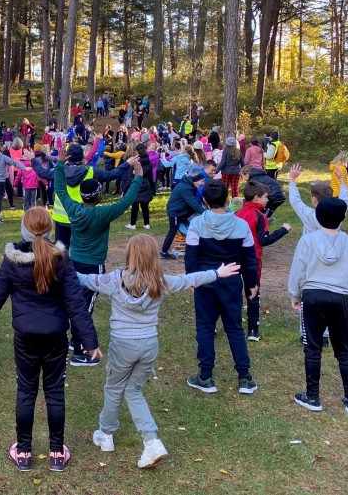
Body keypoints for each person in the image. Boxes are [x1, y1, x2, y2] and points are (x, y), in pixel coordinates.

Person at [81, 235, 240, 468]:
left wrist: (54, 267)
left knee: (115, 387)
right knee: (132, 389)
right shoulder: (161, 282)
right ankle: (135, 439)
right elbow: (189, 279)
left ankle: (115, 436)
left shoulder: (113, 280)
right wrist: (216, 273)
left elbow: (84, 279)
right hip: (149, 346)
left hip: (122, 346)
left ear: (130, 255)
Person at [0, 207, 100, 473]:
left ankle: (25, 451)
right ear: (49, 229)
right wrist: (89, 340)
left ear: (24, 230)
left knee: (26, 391)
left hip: (27, 336)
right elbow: (75, 302)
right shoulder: (58, 259)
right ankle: (56, 453)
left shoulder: (40, 260)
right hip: (53, 336)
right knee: (54, 392)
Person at [55, 153, 142, 366]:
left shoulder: (73, 209)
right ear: (98, 196)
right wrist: (138, 176)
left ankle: (74, 341)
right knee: (85, 306)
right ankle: (80, 351)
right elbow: (127, 201)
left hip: (74, 263)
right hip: (94, 266)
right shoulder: (103, 214)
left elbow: (60, 189)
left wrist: (59, 163)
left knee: (75, 301)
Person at [185, 180, 259, 395]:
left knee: (205, 327)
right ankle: (245, 377)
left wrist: (192, 280)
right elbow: (249, 260)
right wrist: (252, 284)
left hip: (206, 281)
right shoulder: (241, 226)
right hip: (231, 282)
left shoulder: (196, 224)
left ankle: (205, 376)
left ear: (205, 200)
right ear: (227, 199)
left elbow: (191, 257)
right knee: (234, 328)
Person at [287, 197, 348, 413]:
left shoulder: (308, 240)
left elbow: (298, 269)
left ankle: (313, 397)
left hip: (312, 297)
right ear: (343, 218)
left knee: (312, 347)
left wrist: (295, 295)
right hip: (340, 298)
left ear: (318, 216)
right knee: (344, 348)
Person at [235, 180, 291, 341]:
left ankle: (232, 323)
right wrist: (283, 230)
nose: (268, 200)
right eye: (266, 197)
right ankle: (253, 329)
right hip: (252, 259)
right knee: (253, 291)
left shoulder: (237, 214)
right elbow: (264, 240)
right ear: (256, 198)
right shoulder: (260, 216)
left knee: (232, 291)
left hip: (235, 257)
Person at [160, 171, 206, 259]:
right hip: (175, 212)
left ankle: (184, 219)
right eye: (202, 181)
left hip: (181, 210)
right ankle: (164, 252)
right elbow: (192, 203)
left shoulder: (189, 185)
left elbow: (195, 203)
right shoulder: (185, 188)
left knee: (197, 204)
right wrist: (206, 213)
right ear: (195, 180)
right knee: (173, 231)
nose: (202, 183)